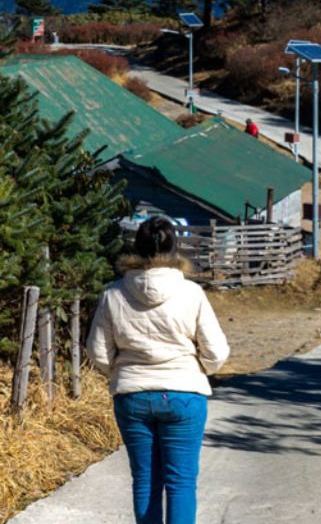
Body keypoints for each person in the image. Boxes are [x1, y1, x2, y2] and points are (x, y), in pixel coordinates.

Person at [87, 217, 231, 524]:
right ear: (175, 247)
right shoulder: (191, 293)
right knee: (180, 483)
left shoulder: (113, 294)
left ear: (136, 247)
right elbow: (217, 352)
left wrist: (120, 372)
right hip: (184, 394)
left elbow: (97, 351)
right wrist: (199, 369)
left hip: (133, 396)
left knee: (145, 482)